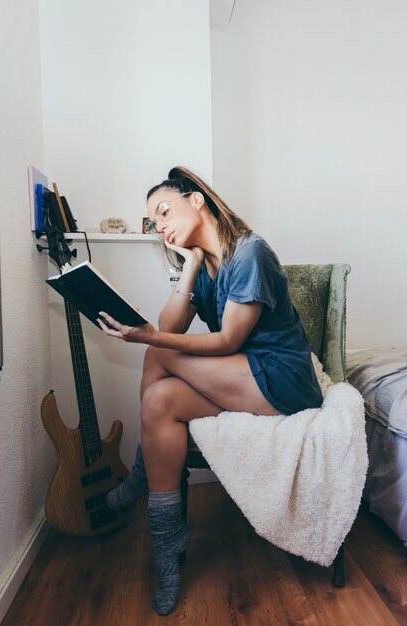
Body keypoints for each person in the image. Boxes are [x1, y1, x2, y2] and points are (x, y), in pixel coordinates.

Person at [98, 166, 323, 616]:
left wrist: (151, 339)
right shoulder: (206, 263)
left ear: (196, 200)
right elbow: (171, 325)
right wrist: (191, 264)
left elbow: (227, 341)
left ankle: (142, 470)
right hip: (242, 376)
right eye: (154, 223)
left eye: (165, 211)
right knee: (158, 399)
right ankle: (167, 548)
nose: (161, 226)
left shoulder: (249, 253)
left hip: (283, 379)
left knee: (157, 353)